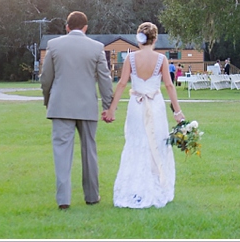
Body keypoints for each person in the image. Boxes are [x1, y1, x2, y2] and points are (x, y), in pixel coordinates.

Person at [104, 22, 186, 209]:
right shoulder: (161, 59)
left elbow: (122, 84)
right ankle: (155, 187)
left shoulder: (131, 59)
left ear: (138, 38)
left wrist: (111, 110)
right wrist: (178, 112)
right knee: (155, 143)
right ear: (155, 39)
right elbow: (169, 86)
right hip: (155, 106)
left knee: (136, 143)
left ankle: (135, 188)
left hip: (136, 106)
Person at [40, 11, 114, 210]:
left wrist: (48, 99)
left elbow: (46, 78)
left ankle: (63, 199)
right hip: (87, 106)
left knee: (62, 153)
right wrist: (108, 106)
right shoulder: (97, 48)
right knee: (89, 151)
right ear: (85, 27)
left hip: (61, 107)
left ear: (66, 26)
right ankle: (92, 195)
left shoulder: (54, 45)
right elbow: (104, 79)